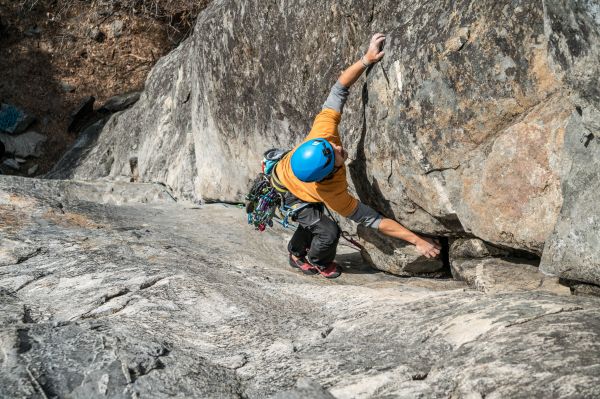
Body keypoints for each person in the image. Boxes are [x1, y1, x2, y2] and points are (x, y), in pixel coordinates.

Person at [272, 33, 441, 278]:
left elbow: (339, 89)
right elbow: (373, 220)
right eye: (335, 155)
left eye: (331, 147)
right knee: (328, 231)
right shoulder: (333, 194)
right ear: (328, 173)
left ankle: (300, 243)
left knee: (314, 215)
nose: (339, 148)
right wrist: (417, 241)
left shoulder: (322, 135)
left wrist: (366, 59)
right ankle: (310, 258)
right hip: (289, 192)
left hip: (294, 176)